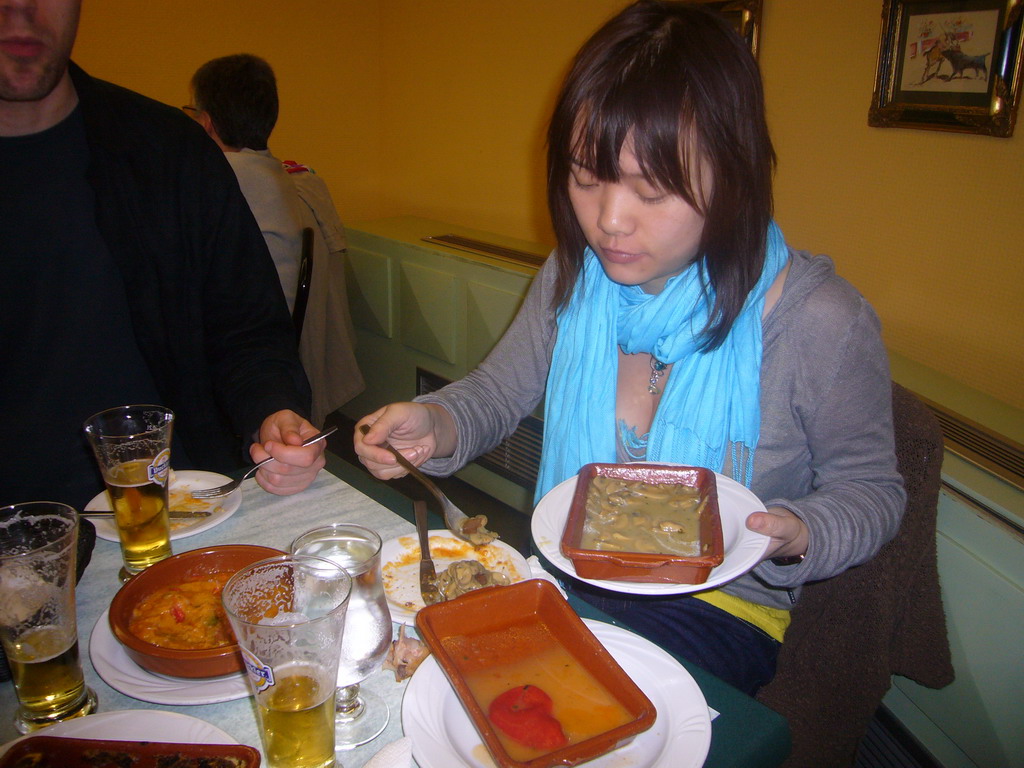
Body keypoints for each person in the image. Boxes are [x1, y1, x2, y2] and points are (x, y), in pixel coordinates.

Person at [355, 0, 906, 695]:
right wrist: (433, 423)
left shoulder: (821, 323)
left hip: (717, 609)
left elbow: (875, 492)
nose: (609, 221)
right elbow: (496, 394)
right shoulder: (573, 275)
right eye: (587, 179)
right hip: (565, 574)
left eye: (651, 189)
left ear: (731, 175)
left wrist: (801, 528)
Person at [0, 0, 327, 511]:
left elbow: (249, 331)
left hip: (185, 514)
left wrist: (272, 412)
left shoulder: (171, 151)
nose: (21, 5)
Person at [190, 54, 365, 422]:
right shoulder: (295, 180)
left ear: (205, 123)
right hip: (290, 370)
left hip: (244, 379)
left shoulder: (210, 186)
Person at [189, 53, 306, 313]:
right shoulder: (273, 172)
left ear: (206, 123)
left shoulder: (218, 179)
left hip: (243, 337)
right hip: (271, 333)